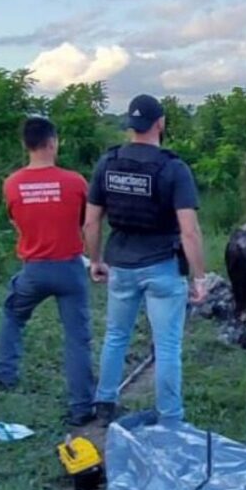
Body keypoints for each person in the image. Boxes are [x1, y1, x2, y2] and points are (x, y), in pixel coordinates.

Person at [83, 94, 207, 425]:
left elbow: (91, 221)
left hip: (120, 264)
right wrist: (199, 277)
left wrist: (95, 259)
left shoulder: (107, 163)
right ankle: (171, 418)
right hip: (163, 266)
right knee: (167, 347)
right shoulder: (173, 168)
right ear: (160, 123)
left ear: (130, 125)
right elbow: (190, 231)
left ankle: (105, 402)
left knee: (116, 335)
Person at [0, 116, 95, 425]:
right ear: (53, 143)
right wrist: (96, 257)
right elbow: (86, 223)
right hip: (70, 269)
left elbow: (16, 222)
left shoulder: (11, 184)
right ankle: (81, 407)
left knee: (13, 314)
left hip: (34, 269)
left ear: (26, 145)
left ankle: (5, 375)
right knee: (78, 338)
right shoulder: (75, 182)